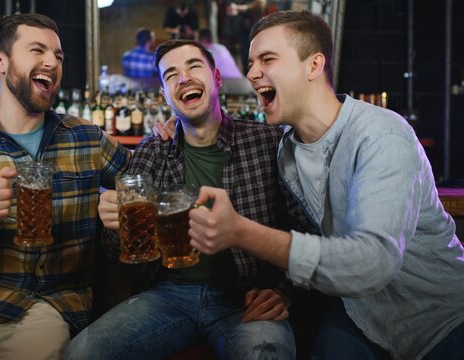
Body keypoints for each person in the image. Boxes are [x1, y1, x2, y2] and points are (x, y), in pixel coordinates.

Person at [187, 10, 464, 360]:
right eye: (251, 62)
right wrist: (177, 121)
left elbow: (373, 261)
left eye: (267, 59)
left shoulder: (381, 134)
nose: (252, 73)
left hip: (443, 316)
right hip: (361, 315)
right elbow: (225, 130)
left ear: (314, 65)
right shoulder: (285, 148)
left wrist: (241, 231)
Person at [64, 39, 301, 360]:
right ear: (164, 94)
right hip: (169, 295)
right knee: (81, 353)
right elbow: (120, 251)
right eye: (171, 74)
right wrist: (113, 224)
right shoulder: (153, 150)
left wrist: (284, 291)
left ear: (216, 79)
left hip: (246, 296)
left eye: (193, 67)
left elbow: (304, 227)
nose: (184, 78)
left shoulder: (267, 142)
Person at [0, 13, 131, 359]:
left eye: (58, 55)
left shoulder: (85, 138)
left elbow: (149, 177)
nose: (51, 61)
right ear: (0, 62)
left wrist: (175, 128)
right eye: (37, 50)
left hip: (46, 303)